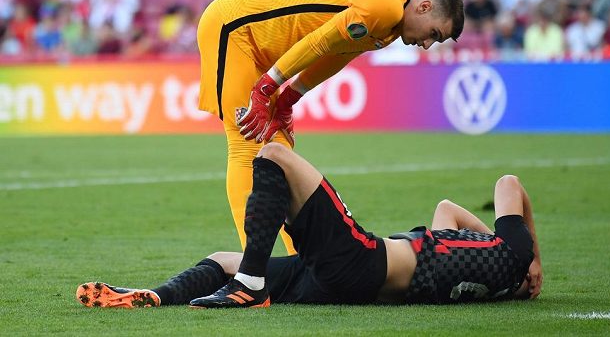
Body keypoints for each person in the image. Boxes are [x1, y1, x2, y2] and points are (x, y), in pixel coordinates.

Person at [196, 0, 465, 253]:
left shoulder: (391, 21)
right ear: (424, 7)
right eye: (434, 33)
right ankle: (253, 273)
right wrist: (267, 87)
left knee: (280, 152)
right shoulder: (385, 8)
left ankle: (294, 261)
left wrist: (289, 96)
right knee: (245, 142)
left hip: (261, 43)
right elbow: (321, 41)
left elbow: (338, 54)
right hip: (234, 28)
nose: (427, 45)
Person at [76, 143, 542, 309]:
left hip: (363, 260)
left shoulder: (510, 254)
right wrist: (493, 241)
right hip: (346, 285)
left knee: (274, 154)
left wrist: (535, 259)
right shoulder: (482, 267)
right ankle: (159, 296)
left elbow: (509, 183)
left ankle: (251, 286)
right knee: (223, 262)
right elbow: (447, 212)